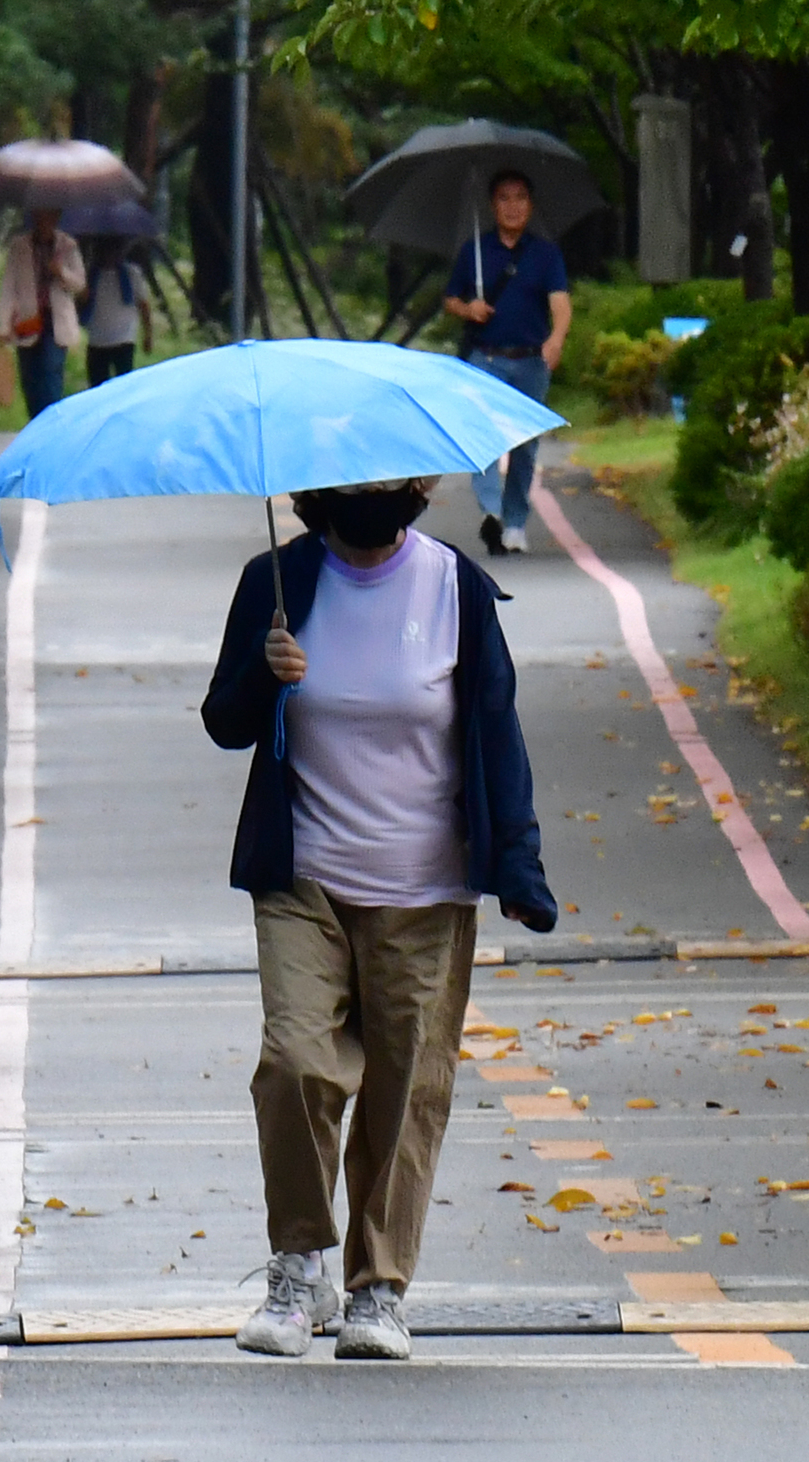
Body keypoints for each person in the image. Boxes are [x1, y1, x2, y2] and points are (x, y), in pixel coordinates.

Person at [202, 480, 557, 1362]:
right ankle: (297, 1269)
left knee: (405, 1087)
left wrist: (517, 864)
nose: (367, 496)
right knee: (294, 1063)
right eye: (348, 484)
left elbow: (495, 730)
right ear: (316, 493)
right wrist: (264, 669)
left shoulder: (457, 590)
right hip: (304, 877)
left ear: (418, 490)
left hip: (424, 889)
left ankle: (378, 1289)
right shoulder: (276, 582)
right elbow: (224, 721)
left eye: (385, 482)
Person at [443, 170, 572, 557]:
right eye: (504, 198)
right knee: (481, 438)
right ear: (492, 205)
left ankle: (515, 522)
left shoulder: (545, 255)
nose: (512, 206)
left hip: (530, 362)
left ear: (530, 205)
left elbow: (560, 304)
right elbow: (450, 299)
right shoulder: (475, 252)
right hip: (486, 358)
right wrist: (469, 308)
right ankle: (492, 513)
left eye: (520, 198)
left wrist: (556, 339)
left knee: (524, 445)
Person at [0, 208, 87, 420]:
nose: (44, 221)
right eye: (40, 215)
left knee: (50, 375)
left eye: (50, 216)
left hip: (55, 324)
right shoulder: (20, 246)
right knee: (30, 380)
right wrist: (3, 324)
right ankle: (35, 426)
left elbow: (80, 284)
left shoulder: (68, 246)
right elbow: (9, 287)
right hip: (27, 322)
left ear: (56, 218)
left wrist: (60, 271)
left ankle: (51, 427)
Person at [81, 237, 153, 387]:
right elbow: (81, 303)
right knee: (97, 385)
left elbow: (143, 305)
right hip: (97, 340)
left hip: (124, 338)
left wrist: (148, 334)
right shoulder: (90, 275)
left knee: (124, 384)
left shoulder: (131, 273)